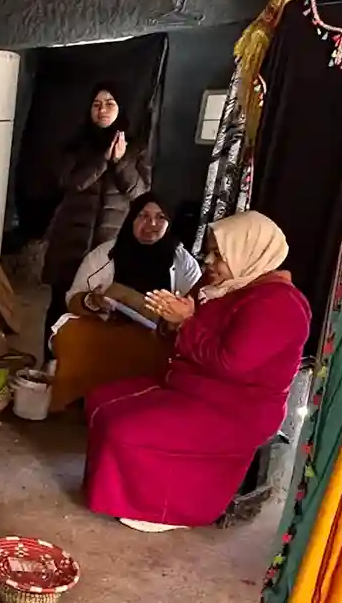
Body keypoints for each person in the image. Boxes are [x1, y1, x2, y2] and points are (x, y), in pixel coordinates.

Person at [82, 212, 309, 531]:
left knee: (125, 428)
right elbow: (179, 331)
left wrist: (186, 323)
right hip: (189, 386)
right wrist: (169, 318)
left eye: (220, 254)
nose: (208, 261)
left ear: (249, 254)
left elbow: (230, 363)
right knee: (100, 400)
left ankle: (165, 508)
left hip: (234, 410)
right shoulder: (220, 284)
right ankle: (129, 497)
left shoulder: (280, 305)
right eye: (209, 251)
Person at [49, 193, 201, 412]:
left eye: (160, 217)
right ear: (131, 219)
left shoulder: (183, 261)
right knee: (71, 333)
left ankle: (139, 407)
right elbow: (74, 297)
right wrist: (92, 302)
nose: (152, 224)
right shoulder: (106, 254)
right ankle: (77, 399)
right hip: (109, 326)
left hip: (155, 335)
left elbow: (194, 308)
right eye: (143, 216)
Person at [41, 85, 150, 352]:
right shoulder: (75, 145)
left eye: (109, 103)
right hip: (70, 239)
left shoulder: (137, 147)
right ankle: (51, 364)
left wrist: (122, 161)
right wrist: (103, 161)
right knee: (61, 304)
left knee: (102, 306)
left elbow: (140, 192)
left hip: (108, 244)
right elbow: (71, 183)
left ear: (120, 109)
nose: (102, 110)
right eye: (96, 104)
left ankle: (85, 367)